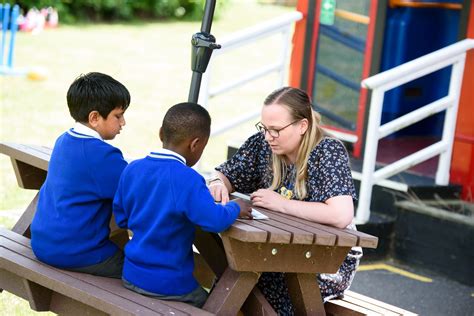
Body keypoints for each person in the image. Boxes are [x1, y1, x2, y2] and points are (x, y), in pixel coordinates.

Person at [209, 86, 362, 314]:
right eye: (264, 128)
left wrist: (280, 203)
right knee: (231, 281)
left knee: (250, 287)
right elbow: (225, 173)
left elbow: (340, 215)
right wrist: (217, 184)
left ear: (302, 125)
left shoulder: (327, 151)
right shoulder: (263, 144)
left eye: (276, 130)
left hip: (324, 259)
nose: (268, 136)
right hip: (274, 250)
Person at [113, 102, 252, 308]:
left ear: (161, 133)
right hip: (169, 285)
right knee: (214, 306)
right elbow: (214, 221)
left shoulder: (133, 168)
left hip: (132, 275)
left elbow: (122, 217)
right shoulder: (189, 179)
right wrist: (236, 207)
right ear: (195, 144)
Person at [31, 72, 131, 279]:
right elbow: (135, 191)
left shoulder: (63, 140)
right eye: (118, 115)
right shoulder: (102, 155)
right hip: (76, 253)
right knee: (145, 274)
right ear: (94, 118)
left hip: (42, 243)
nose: (123, 123)